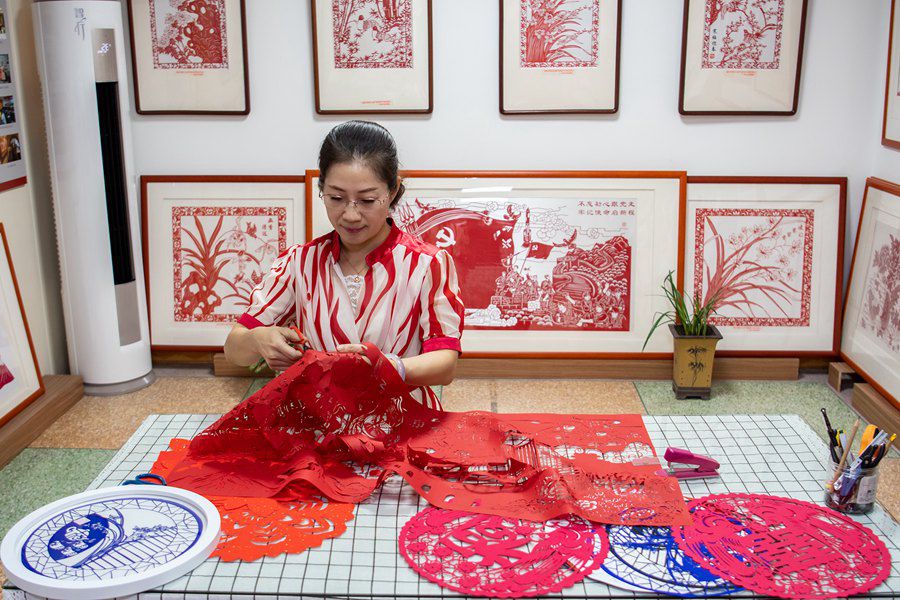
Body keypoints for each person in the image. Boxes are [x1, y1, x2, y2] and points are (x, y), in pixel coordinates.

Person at [224, 121, 464, 408]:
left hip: (402, 415)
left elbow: (446, 364)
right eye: (336, 198)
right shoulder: (300, 263)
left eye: (367, 200)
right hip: (319, 418)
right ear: (321, 188)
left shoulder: (426, 264)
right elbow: (234, 349)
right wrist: (258, 339)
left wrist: (394, 368)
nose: (350, 215)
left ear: (393, 190)